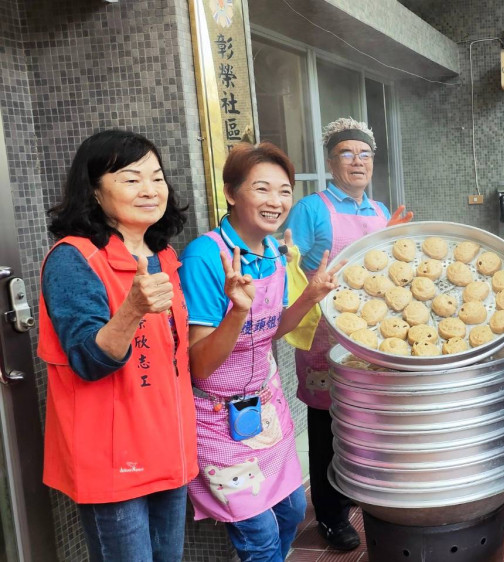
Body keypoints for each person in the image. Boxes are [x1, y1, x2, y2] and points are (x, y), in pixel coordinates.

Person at [37, 129, 196, 562]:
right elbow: (88, 359)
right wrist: (132, 310)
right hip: (114, 460)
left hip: (169, 446)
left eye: (157, 177)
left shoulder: (162, 254)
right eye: (131, 178)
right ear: (93, 191)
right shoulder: (73, 258)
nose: (150, 189)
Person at [178, 142, 342, 561]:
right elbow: (199, 365)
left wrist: (312, 296)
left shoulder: (272, 251)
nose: (276, 201)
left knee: (290, 513)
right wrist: (236, 312)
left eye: (284, 190)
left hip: (265, 410)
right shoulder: (206, 255)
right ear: (231, 193)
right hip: (216, 420)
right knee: (260, 537)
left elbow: (271, 329)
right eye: (262, 189)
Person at [284, 117, 411, 550]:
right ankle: (331, 515)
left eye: (365, 154)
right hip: (324, 337)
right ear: (330, 160)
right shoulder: (311, 208)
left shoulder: (377, 210)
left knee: (365, 419)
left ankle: (357, 488)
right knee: (326, 425)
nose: (357, 161)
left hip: (371, 339)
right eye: (347, 153)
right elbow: (290, 271)